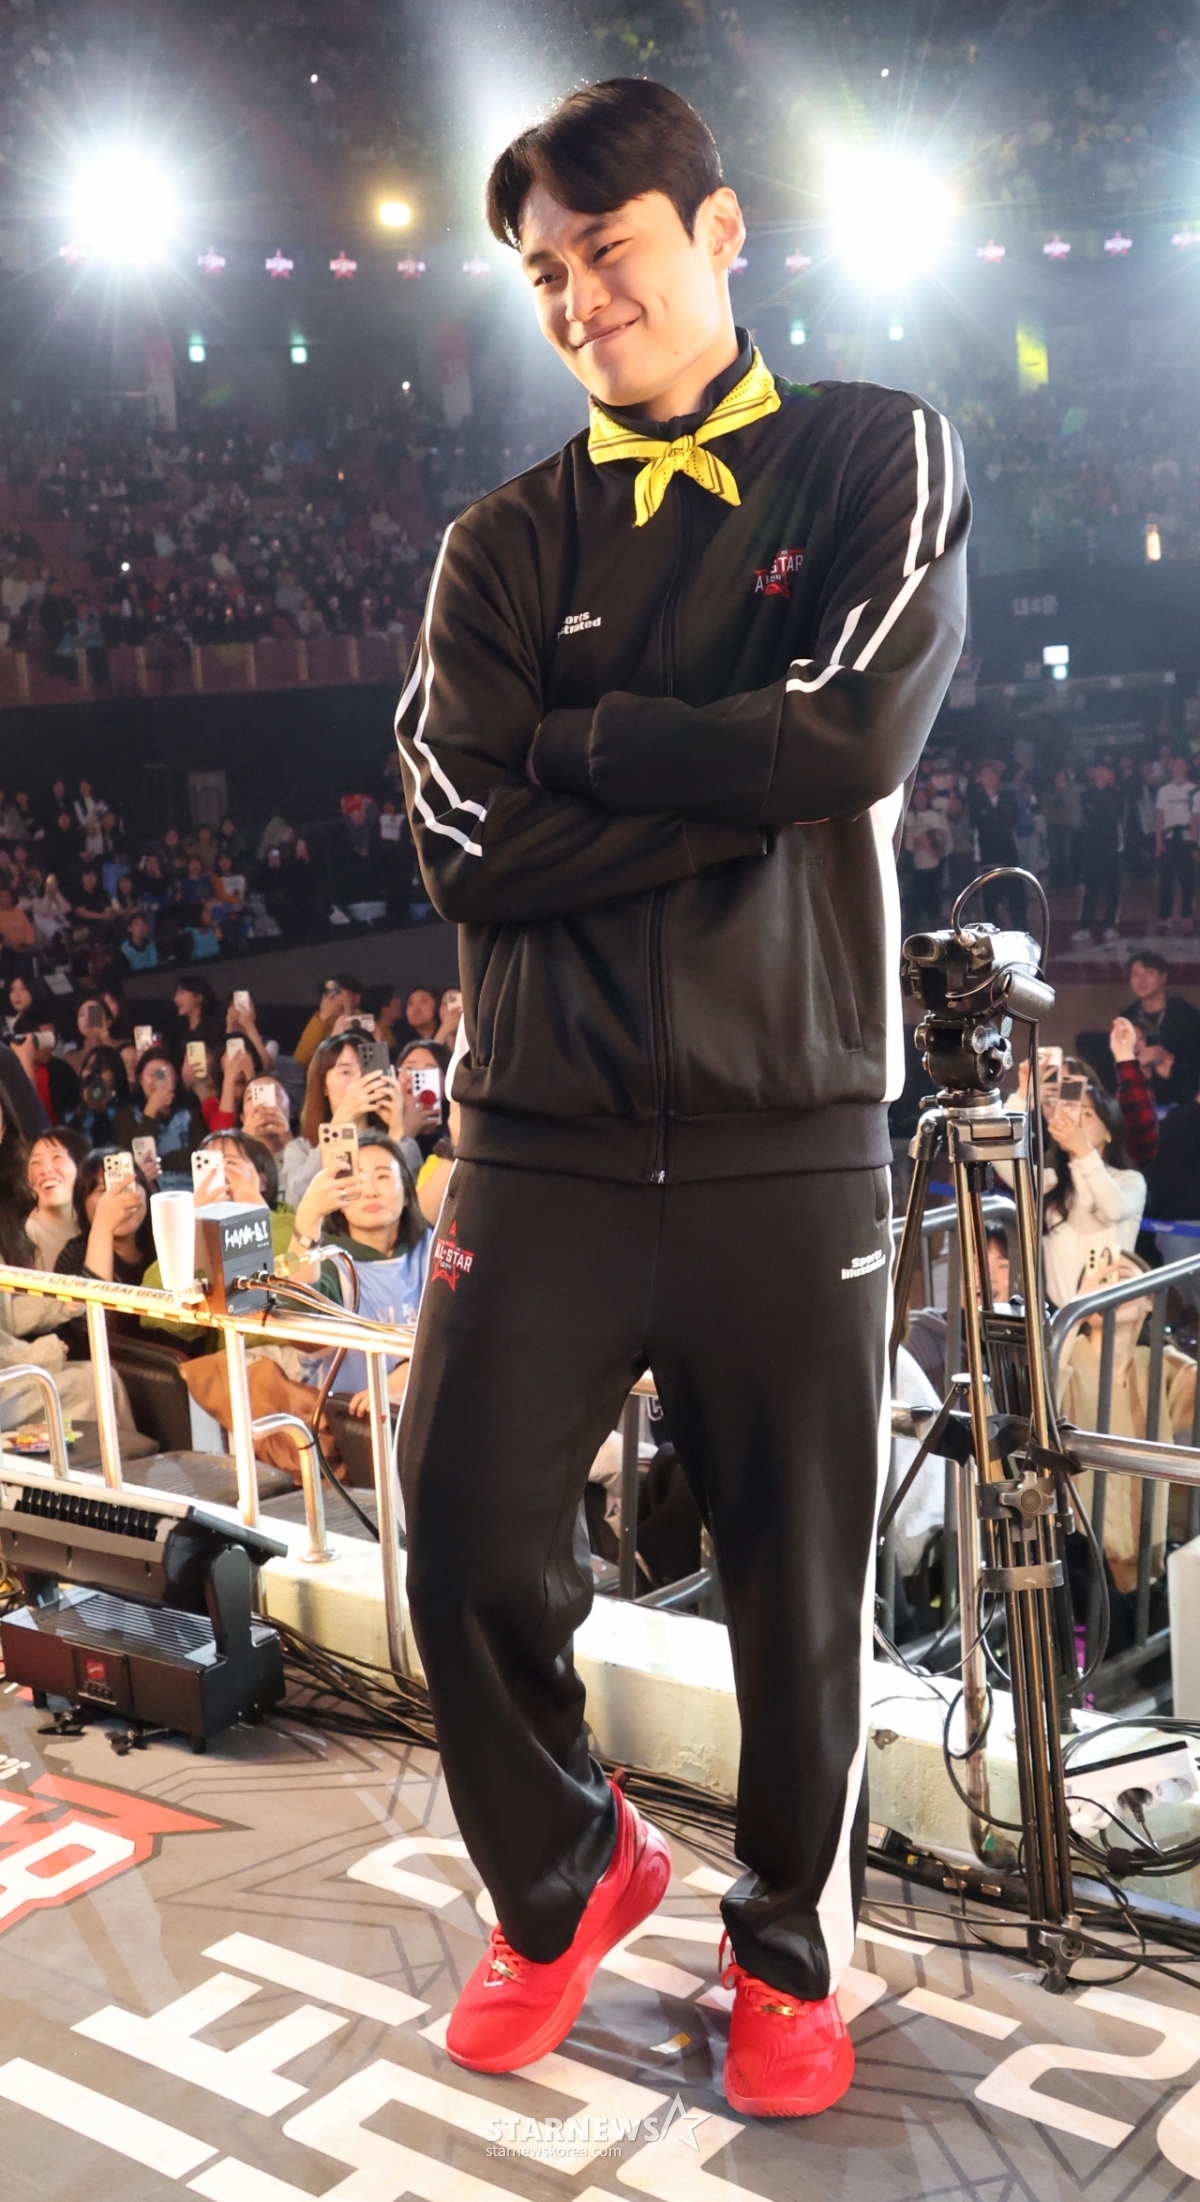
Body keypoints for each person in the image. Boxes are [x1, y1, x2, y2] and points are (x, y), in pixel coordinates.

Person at [394, 76, 969, 2115]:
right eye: (545, 275)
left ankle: (787, 1957)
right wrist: (737, 764)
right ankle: (569, 1875)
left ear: (721, 233)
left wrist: (586, 742)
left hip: (789, 1133)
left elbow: (860, 731)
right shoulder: (496, 543)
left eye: (608, 250)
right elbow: (461, 842)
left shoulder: (878, 451)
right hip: (537, 1137)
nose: (578, 300)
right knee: (462, 1543)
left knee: (802, 1591)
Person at [287, 1129, 429, 1411]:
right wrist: (308, 1216)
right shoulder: (329, 1261)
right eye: (357, 1179)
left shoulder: (432, 1248)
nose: (370, 1190)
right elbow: (298, 1324)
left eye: (383, 1176)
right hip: (350, 1420)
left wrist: (411, 1372)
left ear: (406, 1194)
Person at [1012, 1056, 1146, 1307]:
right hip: (1060, 1315)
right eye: (1075, 1113)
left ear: (1109, 1132)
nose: (1078, 1122)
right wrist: (1022, 1094)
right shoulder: (1052, 1180)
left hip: (1109, 1313)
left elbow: (1114, 1208)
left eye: (1088, 1114)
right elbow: (1004, 1161)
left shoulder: (1129, 1181)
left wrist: (1083, 1151)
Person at [114, 1046, 203, 1183]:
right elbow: (135, 1161)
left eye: (163, 1074)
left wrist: (160, 1161)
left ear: (175, 1078)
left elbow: (199, 1153)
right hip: (150, 1189)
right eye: (152, 1075)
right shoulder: (126, 1115)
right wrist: (151, 1111)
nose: (158, 1080)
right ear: (140, 1079)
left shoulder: (189, 1113)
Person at [1071, 759, 1123, 943]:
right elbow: (1086, 819)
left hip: (1110, 847)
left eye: (1105, 770)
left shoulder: (1117, 795)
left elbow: (1114, 817)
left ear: (1111, 774)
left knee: (1112, 888)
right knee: (1090, 887)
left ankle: (1109, 924)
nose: (1101, 774)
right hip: (1091, 847)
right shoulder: (1086, 795)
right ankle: (1084, 925)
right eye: (1098, 770)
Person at [24, 1127, 90, 1268]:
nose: (45, 1170)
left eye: (57, 1157)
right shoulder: (20, 1238)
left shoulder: (98, 1223)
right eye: (35, 1162)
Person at [968, 759, 1021, 927]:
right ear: (979, 778)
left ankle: (1021, 930)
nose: (989, 777)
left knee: (1016, 898)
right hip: (988, 855)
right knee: (990, 900)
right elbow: (975, 825)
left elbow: (1013, 820)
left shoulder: (1008, 797)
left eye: (992, 774)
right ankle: (992, 932)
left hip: (1008, 853)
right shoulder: (976, 801)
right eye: (985, 774)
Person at [1154, 752, 1197, 933]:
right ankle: (1165, 916)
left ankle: (1187, 914)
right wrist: (1158, 840)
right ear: (1171, 766)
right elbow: (1159, 817)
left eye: (1181, 763)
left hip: (1187, 839)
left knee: (1188, 880)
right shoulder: (1164, 790)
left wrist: (1195, 844)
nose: (1178, 767)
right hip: (1169, 839)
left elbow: (1196, 819)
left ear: (1186, 766)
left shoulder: (1195, 789)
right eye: (1175, 763)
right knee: (1166, 880)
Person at [900, 783, 948, 930]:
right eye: (917, 796)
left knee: (933, 901)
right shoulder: (907, 817)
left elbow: (943, 838)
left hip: (933, 865)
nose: (919, 799)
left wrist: (932, 838)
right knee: (914, 906)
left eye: (922, 796)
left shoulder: (934, 816)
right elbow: (906, 842)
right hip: (913, 867)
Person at [293, 973, 365, 1067]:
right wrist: (323, 1016)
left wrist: (348, 1013)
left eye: (339, 992)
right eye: (329, 994)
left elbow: (362, 1054)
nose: (335, 998)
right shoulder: (320, 1020)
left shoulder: (365, 1019)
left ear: (357, 998)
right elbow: (301, 1059)